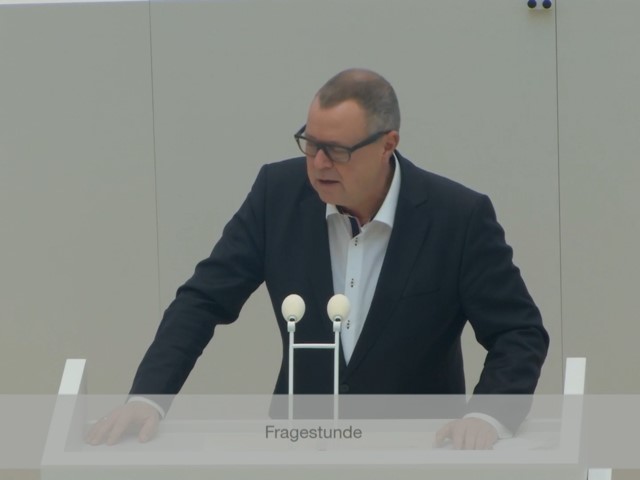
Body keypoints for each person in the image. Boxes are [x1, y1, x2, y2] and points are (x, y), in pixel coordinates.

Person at [86, 68, 549, 450]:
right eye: (311, 144)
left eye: (338, 151)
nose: (320, 163)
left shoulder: (457, 217)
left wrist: (488, 414)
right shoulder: (277, 195)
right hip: (299, 444)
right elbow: (202, 300)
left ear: (388, 145)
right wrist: (148, 399)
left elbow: (518, 331)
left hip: (417, 448)